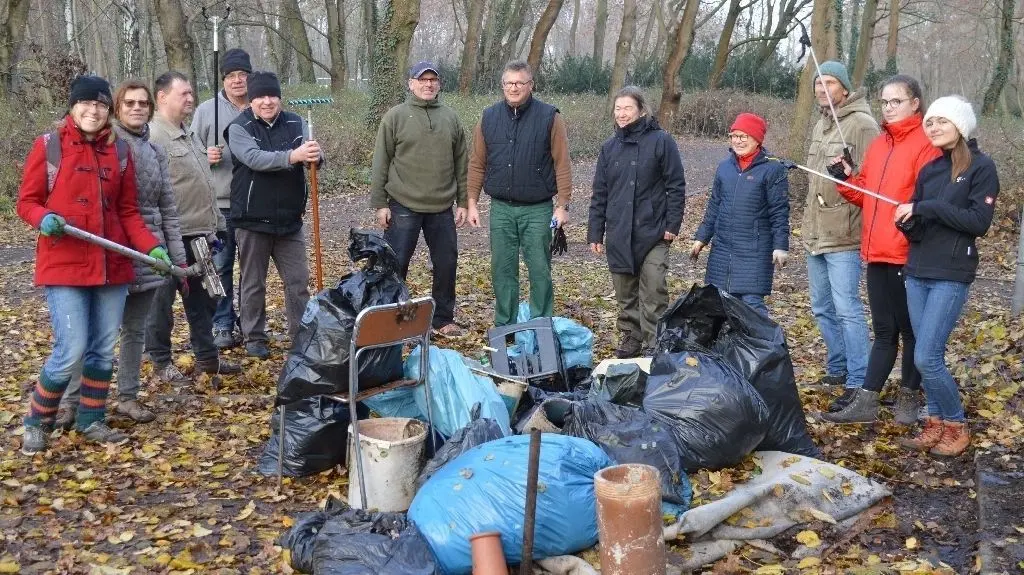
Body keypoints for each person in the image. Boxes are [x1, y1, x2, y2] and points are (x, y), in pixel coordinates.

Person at [16, 75, 169, 453]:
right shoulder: (49, 146)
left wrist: (153, 247)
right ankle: (37, 420)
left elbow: (129, 211)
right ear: (73, 106)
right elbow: (27, 201)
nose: (93, 111)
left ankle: (91, 418)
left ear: (107, 110)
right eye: (86, 103)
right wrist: (41, 219)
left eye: (100, 105)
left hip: (112, 265)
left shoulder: (118, 152)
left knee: (103, 348)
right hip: (64, 264)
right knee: (71, 349)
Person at [57, 80, 190, 428]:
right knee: (91, 334)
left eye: (143, 103)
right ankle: (73, 402)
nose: (136, 108)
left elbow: (167, 209)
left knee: (134, 331)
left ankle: (127, 397)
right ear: (117, 107)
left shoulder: (156, 151)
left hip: (148, 251)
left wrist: (175, 258)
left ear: (150, 108)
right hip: (107, 249)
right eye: (129, 102)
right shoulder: (105, 144)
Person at [822, 75, 942, 423]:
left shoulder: (925, 144)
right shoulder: (879, 144)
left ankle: (908, 398)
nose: (888, 108)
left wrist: (914, 214)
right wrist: (845, 179)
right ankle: (867, 401)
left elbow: (928, 200)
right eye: (885, 102)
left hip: (907, 251)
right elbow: (865, 194)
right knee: (885, 330)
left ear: (915, 103)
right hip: (876, 251)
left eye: (896, 101)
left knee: (911, 330)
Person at [895, 96, 998, 456]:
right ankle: (935, 422)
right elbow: (923, 226)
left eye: (942, 121)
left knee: (927, 357)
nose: (933, 127)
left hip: (951, 274)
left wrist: (929, 208)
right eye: (930, 122)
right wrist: (907, 223)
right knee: (925, 354)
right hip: (918, 270)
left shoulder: (982, 168)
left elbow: (978, 223)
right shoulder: (930, 171)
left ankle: (956, 424)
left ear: (961, 126)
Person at [146, 72, 240, 380]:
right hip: (169, 235)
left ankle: (208, 358)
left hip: (201, 233)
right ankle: (160, 362)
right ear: (162, 97)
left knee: (206, 298)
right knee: (161, 302)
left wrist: (216, 224)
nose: (190, 98)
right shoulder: (152, 136)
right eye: (183, 93)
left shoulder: (189, 132)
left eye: (191, 93)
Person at [466, 60, 573, 326]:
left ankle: (541, 325)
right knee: (502, 270)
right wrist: (471, 201)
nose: (514, 88)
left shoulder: (549, 117)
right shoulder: (488, 117)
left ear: (530, 85)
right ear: (502, 85)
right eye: (509, 83)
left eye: (519, 83)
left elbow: (562, 163)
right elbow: (477, 162)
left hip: (538, 209)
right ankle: (506, 327)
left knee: (539, 269)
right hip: (501, 209)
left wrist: (562, 205)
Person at [370, 61, 469, 337]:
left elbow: (462, 162)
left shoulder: (451, 117)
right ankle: (392, 318)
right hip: (403, 204)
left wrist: (463, 201)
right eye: (422, 80)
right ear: (410, 84)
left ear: (438, 85)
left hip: (442, 206)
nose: (428, 85)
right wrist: (380, 204)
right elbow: (381, 161)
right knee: (396, 263)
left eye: (433, 80)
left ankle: (442, 319)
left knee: (447, 263)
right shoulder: (395, 117)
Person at [226, 71, 320, 359]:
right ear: (251, 100)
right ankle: (254, 336)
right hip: (252, 219)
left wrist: (316, 155)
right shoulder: (238, 127)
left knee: (298, 281)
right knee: (253, 282)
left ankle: (302, 334)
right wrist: (294, 156)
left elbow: (311, 156)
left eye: (272, 96)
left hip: (290, 220)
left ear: (279, 97)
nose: (267, 102)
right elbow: (254, 158)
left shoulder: (296, 122)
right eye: (260, 97)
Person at [588, 86, 686, 358]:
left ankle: (655, 343)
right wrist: (595, 232)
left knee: (654, 288)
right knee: (625, 293)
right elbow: (600, 192)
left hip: (653, 231)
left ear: (642, 110)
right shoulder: (608, 148)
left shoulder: (661, 141)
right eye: (618, 109)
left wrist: (672, 225)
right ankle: (632, 337)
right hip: (619, 231)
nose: (621, 114)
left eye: (627, 108)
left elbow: (675, 185)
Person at [803, 61, 876, 391]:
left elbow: (873, 183)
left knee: (847, 308)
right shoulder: (820, 125)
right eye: (818, 83)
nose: (822, 88)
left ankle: (859, 379)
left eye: (829, 83)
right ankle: (838, 367)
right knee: (821, 307)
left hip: (844, 232)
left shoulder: (862, 125)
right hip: (815, 231)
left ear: (844, 88)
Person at [691, 113, 789, 317]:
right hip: (723, 249)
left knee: (751, 305)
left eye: (744, 136)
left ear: (757, 139)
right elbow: (714, 206)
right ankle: (728, 348)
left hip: (755, 250)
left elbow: (779, 212)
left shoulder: (773, 169)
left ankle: (762, 347)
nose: (738, 141)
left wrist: (780, 246)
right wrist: (701, 238)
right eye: (734, 136)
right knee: (720, 303)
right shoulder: (724, 168)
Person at [191, 48, 252, 349]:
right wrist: (206, 156)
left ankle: (251, 322)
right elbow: (189, 153)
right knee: (221, 266)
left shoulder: (261, 105)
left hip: (255, 203)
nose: (238, 81)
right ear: (223, 79)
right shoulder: (206, 111)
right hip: (221, 204)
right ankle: (223, 324)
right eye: (231, 76)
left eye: (242, 75)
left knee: (252, 269)